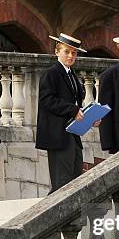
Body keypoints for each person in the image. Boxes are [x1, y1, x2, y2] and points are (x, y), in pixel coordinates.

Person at [35, 33, 87, 193]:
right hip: (58, 134)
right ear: (57, 52)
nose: (71, 56)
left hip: (72, 133)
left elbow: (76, 103)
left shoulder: (72, 75)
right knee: (61, 183)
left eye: (74, 53)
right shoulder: (51, 73)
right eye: (67, 51)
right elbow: (46, 100)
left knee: (76, 177)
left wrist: (89, 117)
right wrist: (73, 110)